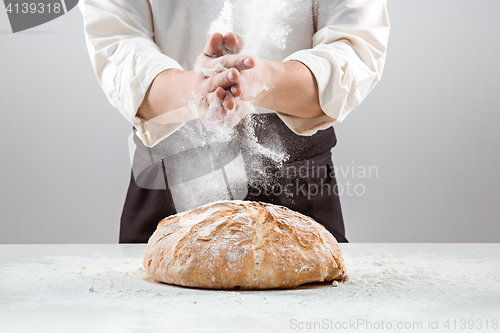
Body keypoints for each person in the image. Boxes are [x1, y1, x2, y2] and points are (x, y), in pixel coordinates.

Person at [79, 0, 390, 243]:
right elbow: (118, 40)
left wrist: (261, 80)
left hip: (295, 180)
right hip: (168, 171)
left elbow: (355, 45)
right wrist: (196, 91)